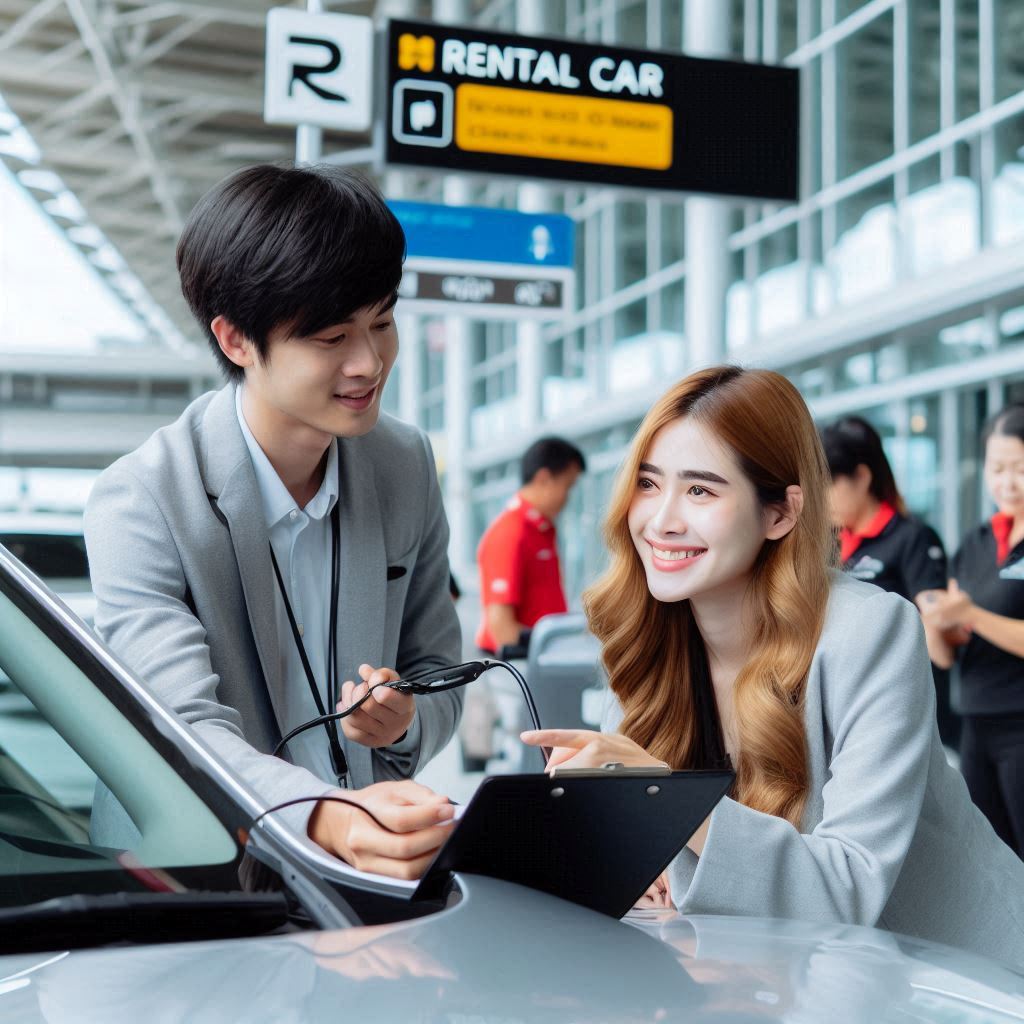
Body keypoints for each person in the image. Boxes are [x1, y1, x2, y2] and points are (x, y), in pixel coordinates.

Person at [522, 365, 1024, 969]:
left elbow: (847, 888)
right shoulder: (649, 639)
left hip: (959, 980)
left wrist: (661, 801)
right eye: (650, 484)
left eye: (701, 490)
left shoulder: (869, 629)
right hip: (793, 976)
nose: (661, 520)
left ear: (781, 515)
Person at [84, 164, 462, 880]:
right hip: (197, 885)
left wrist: (405, 719)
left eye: (382, 322)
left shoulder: (404, 462)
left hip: (360, 874)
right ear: (235, 341)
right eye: (330, 338)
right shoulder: (142, 501)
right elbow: (181, 731)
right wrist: (326, 817)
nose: (369, 361)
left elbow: (439, 667)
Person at [920, 403, 1024, 859]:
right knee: (994, 865)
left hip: (1020, 727)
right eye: (997, 468)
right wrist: (935, 623)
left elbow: (981, 620)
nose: (1007, 482)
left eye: (1020, 468)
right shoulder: (976, 542)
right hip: (974, 726)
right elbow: (946, 657)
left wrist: (973, 615)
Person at [820, 416, 958, 747]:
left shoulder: (912, 538)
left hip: (905, 702)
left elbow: (937, 640)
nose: (821, 500)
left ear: (862, 477)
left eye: (828, 486)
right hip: (846, 696)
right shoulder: (827, 544)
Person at [475, 436, 586, 654]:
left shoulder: (541, 529)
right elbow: (502, 628)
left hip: (539, 655)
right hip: (517, 663)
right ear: (544, 479)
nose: (568, 498)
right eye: (567, 487)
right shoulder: (510, 532)